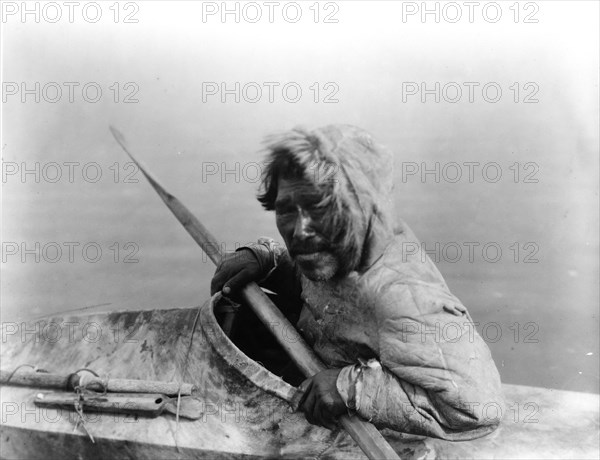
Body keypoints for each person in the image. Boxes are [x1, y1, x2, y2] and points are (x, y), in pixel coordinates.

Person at [211, 124, 504, 440]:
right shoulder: (336, 246)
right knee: (238, 315)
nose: (300, 230)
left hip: (376, 423)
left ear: (361, 206)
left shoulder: (401, 296)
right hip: (325, 356)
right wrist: (268, 260)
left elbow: (479, 407)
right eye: (286, 210)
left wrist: (352, 388)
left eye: (320, 206)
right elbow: (321, 289)